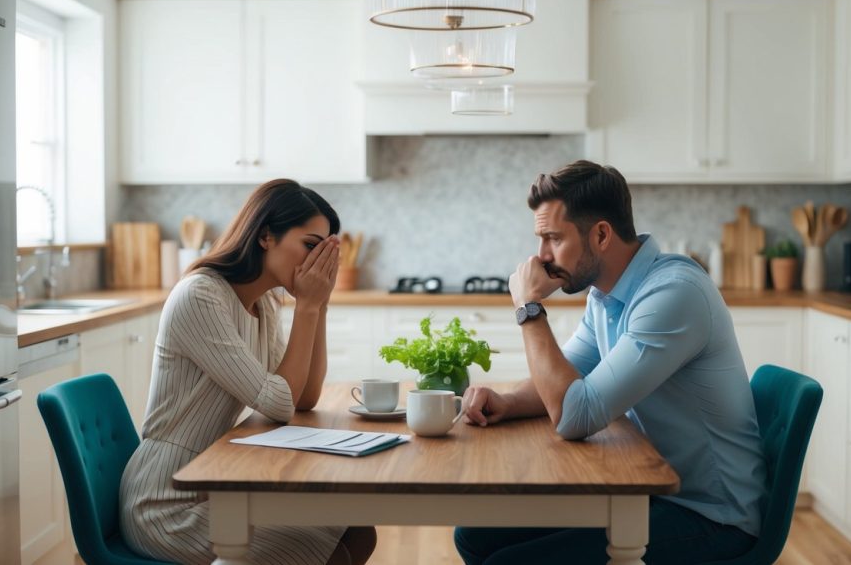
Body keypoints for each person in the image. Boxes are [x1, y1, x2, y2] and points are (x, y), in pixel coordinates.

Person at [453, 160, 766, 564]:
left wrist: (529, 309)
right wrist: (508, 402)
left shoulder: (673, 295)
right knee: (475, 535)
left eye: (552, 238)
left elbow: (573, 415)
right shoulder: (606, 295)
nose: (541, 256)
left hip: (710, 515)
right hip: (645, 491)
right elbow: (569, 379)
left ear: (601, 234)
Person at [120, 179, 376, 565]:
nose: (314, 261)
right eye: (310, 245)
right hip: (167, 501)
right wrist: (306, 306)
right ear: (265, 236)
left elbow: (303, 396)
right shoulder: (201, 296)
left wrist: (318, 305)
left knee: (358, 530)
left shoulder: (264, 304)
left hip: (217, 484)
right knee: (331, 542)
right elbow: (279, 404)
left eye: (323, 251)